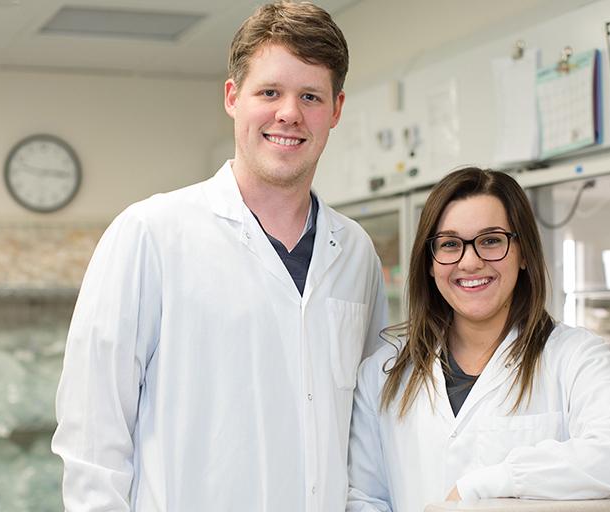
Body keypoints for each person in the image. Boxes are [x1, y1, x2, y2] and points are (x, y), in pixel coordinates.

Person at [52, 2, 387, 510]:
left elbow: (364, 425)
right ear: (233, 97)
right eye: (269, 92)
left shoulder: (355, 252)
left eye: (310, 96)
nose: (289, 113)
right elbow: (93, 434)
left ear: (336, 110)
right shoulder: (151, 234)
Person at [347, 167, 610, 512]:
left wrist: (484, 485)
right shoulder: (382, 373)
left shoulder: (576, 357)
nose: (470, 261)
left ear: (523, 253)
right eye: (449, 244)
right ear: (430, 264)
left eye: (491, 240)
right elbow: (364, 499)